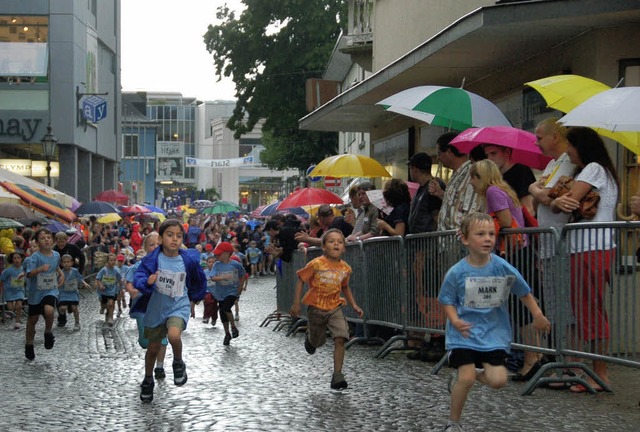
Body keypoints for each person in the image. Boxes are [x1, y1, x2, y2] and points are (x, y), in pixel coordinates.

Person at [438, 213, 550, 431]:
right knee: (467, 377)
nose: (488, 238)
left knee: (498, 381)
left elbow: (524, 292)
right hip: (463, 335)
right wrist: (455, 320)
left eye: (491, 234)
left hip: (494, 334)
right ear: (465, 239)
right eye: (480, 234)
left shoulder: (502, 267)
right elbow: (447, 300)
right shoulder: (457, 272)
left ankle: (470, 376)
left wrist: (538, 315)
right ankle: (454, 423)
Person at [549, 126, 619, 393]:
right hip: (591, 247)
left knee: (590, 310)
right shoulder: (602, 171)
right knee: (588, 310)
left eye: (570, 146)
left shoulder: (593, 169)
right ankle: (594, 371)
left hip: (589, 247)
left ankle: (599, 373)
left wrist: (556, 198)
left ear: (581, 147)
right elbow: (560, 201)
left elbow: (566, 199)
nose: (567, 151)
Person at [133, 219, 206, 402]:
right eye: (170, 235)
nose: (174, 239)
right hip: (156, 308)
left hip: (178, 305)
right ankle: (148, 379)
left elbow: (199, 279)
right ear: (161, 238)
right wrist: (147, 282)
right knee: (153, 348)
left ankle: (178, 363)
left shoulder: (187, 259)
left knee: (174, 336)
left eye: (179, 236)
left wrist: (195, 298)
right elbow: (139, 277)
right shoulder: (152, 259)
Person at [528, 118, 576, 387]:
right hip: (547, 243)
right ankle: (557, 357)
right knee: (552, 302)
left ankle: (565, 361)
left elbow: (548, 196)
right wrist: (539, 190)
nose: (537, 142)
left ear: (555, 137)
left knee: (562, 305)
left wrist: (538, 191)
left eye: (540, 137)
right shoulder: (550, 165)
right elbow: (539, 191)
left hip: (561, 243)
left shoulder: (569, 162)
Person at [289, 228, 364, 389]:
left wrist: (354, 304)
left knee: (340, 337)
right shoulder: (316, 263)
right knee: (318, 341)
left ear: (344, 247)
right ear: (324, 247)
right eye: (331, 241)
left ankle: (337, 375)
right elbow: (301, 279)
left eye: (339, 242)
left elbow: (345, 287)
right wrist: (296, 304)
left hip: (335, 306)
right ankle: (311, 339)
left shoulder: (345, 268)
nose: (336, 244)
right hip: (316, 307)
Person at [404, 152, 447, 361]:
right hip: (420, 246)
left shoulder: (433, 187)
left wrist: (432, 246)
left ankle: (437, 337)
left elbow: (437, 216)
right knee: (423, 294)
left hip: (428, 248)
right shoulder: (423, 189)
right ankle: (427, 337)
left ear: (414, 168)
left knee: (431, 293)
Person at [124, 232, 169, 384]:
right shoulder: (139, 265)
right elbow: (128, 281)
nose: (155, 247)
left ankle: (159, 367)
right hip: (143, 308)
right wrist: (132, 291)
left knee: (162, 338)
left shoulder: (167, 264)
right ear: (145, 248)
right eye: (152, 244)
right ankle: (150, 350)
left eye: (158, 244)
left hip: (161, 307)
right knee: (146, 342)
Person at [24, 228, 65, 360]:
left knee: (49, 310)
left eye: (48, 237)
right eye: (42, 238)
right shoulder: (34, 257)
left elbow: (55, 267)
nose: (46, 240)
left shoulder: (56, 255)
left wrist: (61, 273)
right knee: (32, 320)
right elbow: (29, 274)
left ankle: (48, 333)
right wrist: (40, 269)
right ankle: (29, 344)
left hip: (50, 289)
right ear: (37, 242)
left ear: (52, 240)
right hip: (36, 292)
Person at [431, 132, 482, 231]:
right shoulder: (456, 175)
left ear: (449, 152)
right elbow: (456, 202)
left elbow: (471, 208)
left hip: (457, 240)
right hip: (448, 241)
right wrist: (441, 194)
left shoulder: (471, 173)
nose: (438, 158)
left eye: (439, 153)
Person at [483, 144, 536, 216]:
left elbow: (529, 209)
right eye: (487, 155)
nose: (490, 159)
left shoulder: (520, 171)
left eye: (493, 153)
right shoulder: (496, 176)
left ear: (507, 152)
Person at [209, 241, 246, 346]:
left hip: (232, 291)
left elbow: (243, 275)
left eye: (218, 254)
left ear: (226, 254)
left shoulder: (235, 264)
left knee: (225, 308)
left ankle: (234, 327)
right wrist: (223, 277)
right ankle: (227, 334)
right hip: (220, 293)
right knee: (222, 313)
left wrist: (240, 288)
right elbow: (213, 277)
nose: (216, 256)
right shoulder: (216, 264)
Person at [58, 254, 90, 331]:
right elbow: (57, 282)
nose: (66, 264)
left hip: (73, 292)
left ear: (72, 263)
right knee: (62, 308)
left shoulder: (75, 271)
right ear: (61, 264)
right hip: (63, 292)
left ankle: (77, 322)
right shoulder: (60, 272)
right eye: (64, 262)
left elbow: (79, 278)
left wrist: (84, 283)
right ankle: (62, 315)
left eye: (68, 262)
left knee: (74, 307)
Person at [0, 251, 26, 329]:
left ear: (22, 259)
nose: (16, 260)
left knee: (19, 305)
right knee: (11, 308)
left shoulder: (23, 269)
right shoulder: (8, 270)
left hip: (19, 290)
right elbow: (2, 279)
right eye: (14, 258)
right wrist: (2, 289)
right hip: (9, 291)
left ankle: (17, 322)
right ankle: (11, 314)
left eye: (18, 258)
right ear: (12, 259)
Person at [95, 254, 122, 326]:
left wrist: (120, 289)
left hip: (112, 290)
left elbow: (120, 279)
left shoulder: (116, 270)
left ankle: (110, 317)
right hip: (103, 291)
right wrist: (100, 285)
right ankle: (102, 306)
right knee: (104, 304)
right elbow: (98, 278)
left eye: (114, 260)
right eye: (111, 260)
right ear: (107, 261)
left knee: (111, 304)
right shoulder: (104, 270)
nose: (113, 262)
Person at [202, 255, 219, 326]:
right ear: (206, 263)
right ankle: (206, 316)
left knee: (214, 306)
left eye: (213, 262)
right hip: (207, 291)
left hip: (215, 291)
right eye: (209, 262)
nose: (211, 263)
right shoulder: (204, 272)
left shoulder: (217, 272)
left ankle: (214, 318)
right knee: (207, 302)